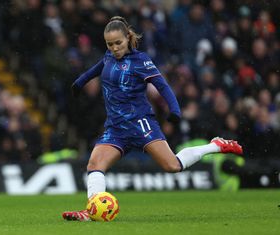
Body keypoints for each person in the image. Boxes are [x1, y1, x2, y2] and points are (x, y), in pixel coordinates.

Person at [62, 16, 243, 221]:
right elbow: (96, 69)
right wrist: (79, 83)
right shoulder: (108, 57)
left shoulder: (141, 61)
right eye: (109, 44)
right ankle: (91, 211)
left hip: (140, 124)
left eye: (118, 43)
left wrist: (174, 111)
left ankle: (215, 145)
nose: (114, 48)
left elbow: (162, 86)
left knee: (172, 166)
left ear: (128, 38)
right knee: (94, 165)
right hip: (116, 128)